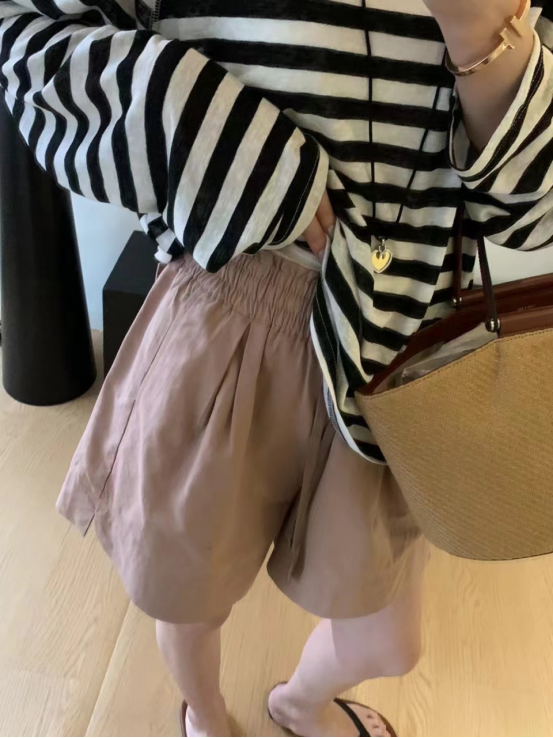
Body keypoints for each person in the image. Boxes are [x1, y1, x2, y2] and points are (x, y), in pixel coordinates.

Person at [1, 0, 552, 735]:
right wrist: (220, 142)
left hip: (395, 348)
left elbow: (531, 209)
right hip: (232, 299)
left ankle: (298, 700)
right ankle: (205, 716)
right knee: (186, 596)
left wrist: (483, 38)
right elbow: (28, 38)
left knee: (388, 642)